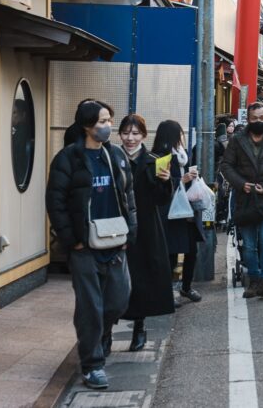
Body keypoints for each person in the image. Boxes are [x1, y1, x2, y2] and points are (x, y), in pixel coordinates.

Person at [46, 100, 137, 390]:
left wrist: (129, 233)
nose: (108, 126)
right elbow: (55, 202)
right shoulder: (68, 159)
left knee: (118, 301)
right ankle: (92, 365)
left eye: (109, 120)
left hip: (115, 243)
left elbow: (128, 196)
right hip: (85, 247)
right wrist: (72, 240)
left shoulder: (116, 156)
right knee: (90, 308)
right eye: (101, 121)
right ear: (87, 125)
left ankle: (101, 334)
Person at [220, 102, 263, 299]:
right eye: (254, 118)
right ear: (248, 119)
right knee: (249, 243)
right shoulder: (237, 139)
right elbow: (226, 165)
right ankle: (254, 279)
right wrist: (241, 183)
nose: (259, 121)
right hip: (245, 198)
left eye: (262, 118)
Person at [117, 114, 174, 352]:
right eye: (126, 133)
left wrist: (166, 181)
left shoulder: (154, 160)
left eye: (135, 133)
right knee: (115, 280)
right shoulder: (111, 158)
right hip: (116, 226)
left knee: (142, 278)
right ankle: (108, 328)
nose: (130, 138)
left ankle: (139, 327)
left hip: (147, 226)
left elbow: (162, 200)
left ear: (144, 135)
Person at [154, 121, 205, 304]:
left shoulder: (183, 154)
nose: (181, 138)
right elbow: (159, 188)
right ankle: (168, 292)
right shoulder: (161, 157)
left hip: (188, 211)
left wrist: (192, 177)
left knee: (192, 250)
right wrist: (181, 180)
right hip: (171, 212)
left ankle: (186, 287)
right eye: (178, 134)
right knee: (172, 253)